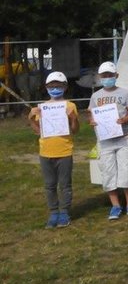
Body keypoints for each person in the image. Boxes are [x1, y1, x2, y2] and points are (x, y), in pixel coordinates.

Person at [88, 61, 128, 219]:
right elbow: (91, 115)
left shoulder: (124, 93)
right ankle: (115, 206)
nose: (107, 78)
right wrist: (92, 121)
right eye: (104, 75)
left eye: (110, 75)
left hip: (123, 138)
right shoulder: (95, 96)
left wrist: (124, 120)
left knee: (126, 171)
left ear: (116, 76)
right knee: (108, 172)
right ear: (100, 77)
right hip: (104, 141)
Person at [29, 71, 80, 228]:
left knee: (65, 185)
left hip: (64, 151)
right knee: (50, 185)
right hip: (45, 152)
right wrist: (31, 119)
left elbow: (75, 130)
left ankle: (64, 212)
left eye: (58, 86)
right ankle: (53, 212)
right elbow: (38, 131)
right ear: (46, 87)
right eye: (52, 86)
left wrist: (73, 118)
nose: (55, 89)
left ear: (65, 87)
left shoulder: (70, 106)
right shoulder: (42, 108)